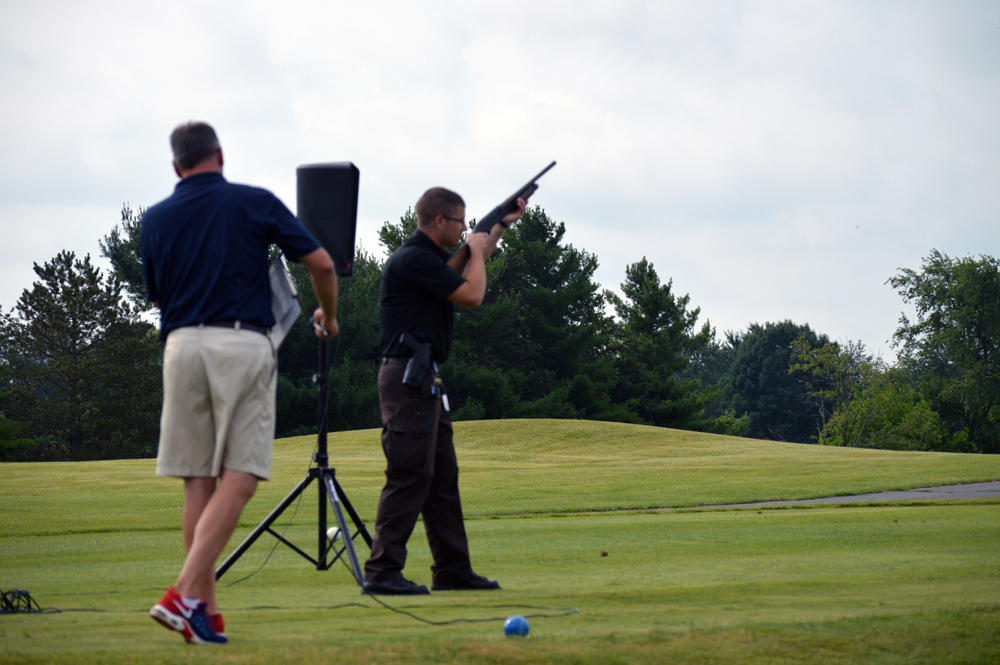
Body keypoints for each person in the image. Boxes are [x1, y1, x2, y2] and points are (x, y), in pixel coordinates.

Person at [142, 122, 339, 644]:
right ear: (220, 155)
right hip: (241, 342)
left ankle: (202, 613)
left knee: (196, 480)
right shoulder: (253, 202)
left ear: (176, 166)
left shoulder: (155, 218)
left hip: (181, 347)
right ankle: (183, 594)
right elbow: (320, 261)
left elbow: (158, 294)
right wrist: (328, 313)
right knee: (243, 475)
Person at [363, 187, 526, 595]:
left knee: (441, 479)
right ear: (439, 221)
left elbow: (470, 265)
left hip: (422, 379)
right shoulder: (414, 258)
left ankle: (452, 570)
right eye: (459, 221)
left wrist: (500, 227)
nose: (465, 228)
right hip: (408, 379)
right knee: (409, 474)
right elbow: (472, 293)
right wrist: (475, 247)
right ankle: (382, 572)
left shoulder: (428, 258)